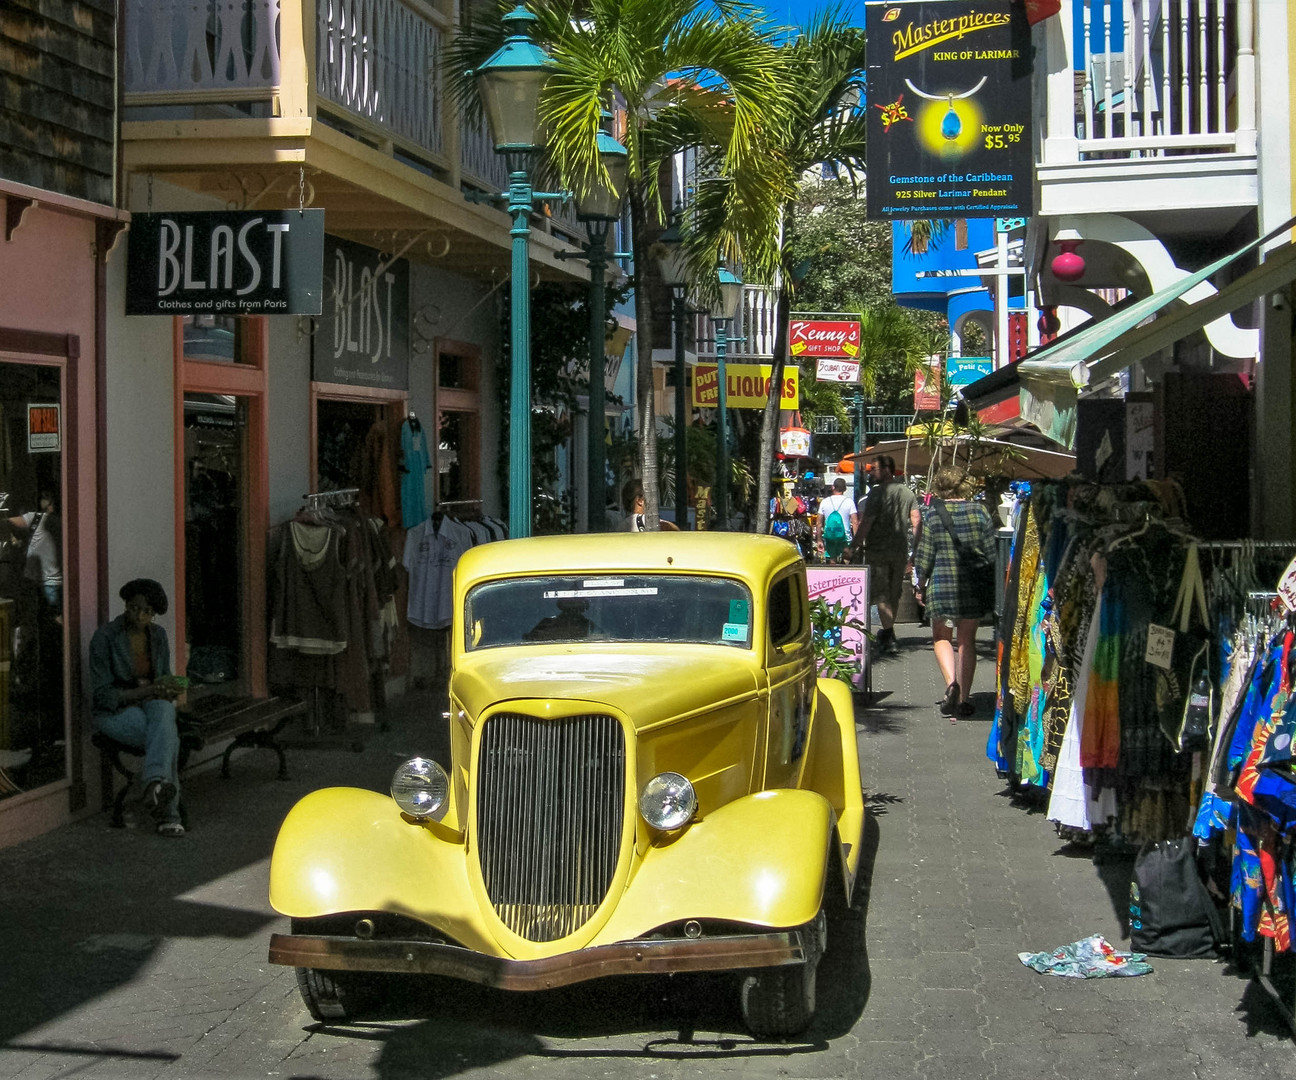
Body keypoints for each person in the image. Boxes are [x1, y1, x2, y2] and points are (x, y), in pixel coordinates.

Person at [89, 579, 186, 836]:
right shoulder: (105, 638)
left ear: (153, 614)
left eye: (146, 612)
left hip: (151, 706)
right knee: (168, 738)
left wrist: (168, 689)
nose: (139, 615)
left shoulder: (158, 636)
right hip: (115, 712)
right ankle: (168, 815)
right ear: (126, 606)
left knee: (164, 714)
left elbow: (162, 677)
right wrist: (147, 691)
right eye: (134, 608)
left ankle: (154, 784)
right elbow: (102, 696)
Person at [912, 466, 996, 720]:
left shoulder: (933, 515)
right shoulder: (980, 512)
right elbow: (991, 552)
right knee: (967, 641)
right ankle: (964, 698)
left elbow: (925, 554)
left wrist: (920, 584)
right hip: (971, 586)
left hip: (941, 585)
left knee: (941, 637)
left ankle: (951, 683)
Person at [855, 455, 920, 655]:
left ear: (886, 469)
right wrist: (915, 551)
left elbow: (867, 523)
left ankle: (889, 634)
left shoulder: (877, 494)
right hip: (899, 551)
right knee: (894, 592)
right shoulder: (907, 493)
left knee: (882, 594)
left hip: (878, 551)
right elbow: (917, 521)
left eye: (873, 469)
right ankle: (887, 632)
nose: (870, 472)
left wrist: (853, 545)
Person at [7, 488, 62, 617]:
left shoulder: (39, 518)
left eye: (46, 498)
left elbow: (8, 523)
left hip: (46, 579)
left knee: (47, 615)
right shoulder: (39, 518)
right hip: (42, 578)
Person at [818, 478, 857, 564]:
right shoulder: (849, 502)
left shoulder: (824, 502)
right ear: (845, 489)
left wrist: (819, 540)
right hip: (845, 537)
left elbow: (819, 523)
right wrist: (856, 541)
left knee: (832, 561)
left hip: (830, 536)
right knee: (847, 558)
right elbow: (855, 522)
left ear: (833, 487)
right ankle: (845, 576)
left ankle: (834, 575)